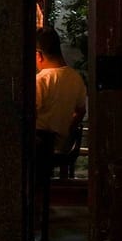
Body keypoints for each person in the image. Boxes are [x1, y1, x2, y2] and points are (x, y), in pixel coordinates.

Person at [35, 26, 87, 154]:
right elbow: (80, 111)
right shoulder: (76, 78)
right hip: (61, 149)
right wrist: (66, 131)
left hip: (39, 150)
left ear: (39, 56)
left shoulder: (40, 81)